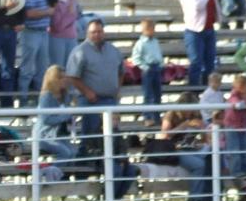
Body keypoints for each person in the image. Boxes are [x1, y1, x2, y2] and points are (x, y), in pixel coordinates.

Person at [65, 18, 123, 154]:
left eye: (99, 31)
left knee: (112, 135)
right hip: (90, 101)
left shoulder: (114, 51)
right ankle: (85, 162)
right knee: (90, 136)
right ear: (87, 33)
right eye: (93, 32)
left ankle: (110, 161)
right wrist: (87, 92)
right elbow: (72, 76)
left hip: (110, 100)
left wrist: (117, 89)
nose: (97, 35)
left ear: (104, 32)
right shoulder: (80, 51)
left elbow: (121, 72)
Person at [159, 92, 213, 201]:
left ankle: (209, 197)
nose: (190, 112)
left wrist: (203, 130)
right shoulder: (171, 115)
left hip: (192, 148)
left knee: (212, 159)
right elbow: (164, 136)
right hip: (175, 150)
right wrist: (183, 126)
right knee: (199, 165)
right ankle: (194, 199)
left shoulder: (196, 116)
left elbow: (204, 139)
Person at [180, 0, 219, 89]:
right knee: (196, 62)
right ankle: (194, 90)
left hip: (209, 28)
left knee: (210, 62)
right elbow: (197, 6)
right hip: (195, 30)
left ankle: (208, 89)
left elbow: (215, 3)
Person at [18, 0, 53, 102]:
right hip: (31, 32)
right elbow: (28, 13)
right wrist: (47, 12)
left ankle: (41, 100)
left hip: (43, 32)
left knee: (42, 69)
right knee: (27, 69)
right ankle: (23, 99)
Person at [36, 65, 77, 165]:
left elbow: (68, 115)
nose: (65, 80)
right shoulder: (46, 97)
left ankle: (65, 174)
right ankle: (53, 173)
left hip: (60, 135)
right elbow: (46, 119)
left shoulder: (65, 96)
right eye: (61, 78)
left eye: (65, 77)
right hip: (45, 136)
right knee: (65, 153)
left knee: (74, 152)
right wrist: (65, 117)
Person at [131, 18, 164, 123]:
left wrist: (161, 64)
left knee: (158, 94)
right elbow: (135, 58)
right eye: (149, 28)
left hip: (157, 68)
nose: (151, 30)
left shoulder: (155, 42)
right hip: (148, 69)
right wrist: (145, 67)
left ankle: (157, 116)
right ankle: (148, 117)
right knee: (148, 94)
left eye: (153, 28)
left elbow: (158, 54)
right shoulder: (141, 43)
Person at [221, 74, 246, 179]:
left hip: (242, 126)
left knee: (244, 148)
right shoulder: (234, 95)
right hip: (232, 126)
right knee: (234, 150)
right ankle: (236, 171)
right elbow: (237, 104)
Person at [47, 0, 80, 69]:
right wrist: (70, 14)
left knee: (71, 68)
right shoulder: (53, 0)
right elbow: (57, 25)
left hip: (71, 37)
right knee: (57, 68)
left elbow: (76, 15)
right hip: (57, 38)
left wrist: (70, 14)